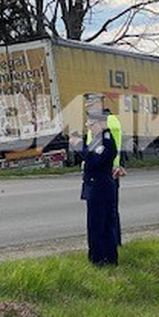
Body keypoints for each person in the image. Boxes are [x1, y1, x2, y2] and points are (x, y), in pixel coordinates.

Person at [71, 110, 118, 266]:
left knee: (97, 225)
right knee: (104, 225)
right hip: (99, 186)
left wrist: (78, 145)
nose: (88, 127)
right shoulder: (100, 139)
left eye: (91, 124)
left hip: (99, 187)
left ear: (100, 123)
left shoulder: (105, 140)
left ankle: (99, 259)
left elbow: (94, 160)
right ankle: (108, 258)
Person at [104, 108, 125, 246]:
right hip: (113, 170)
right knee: (112, 209)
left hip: (107, 171)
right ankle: (116, 241)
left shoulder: (106, 124)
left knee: (107, 210)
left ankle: (112, 242)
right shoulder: (113, 121)